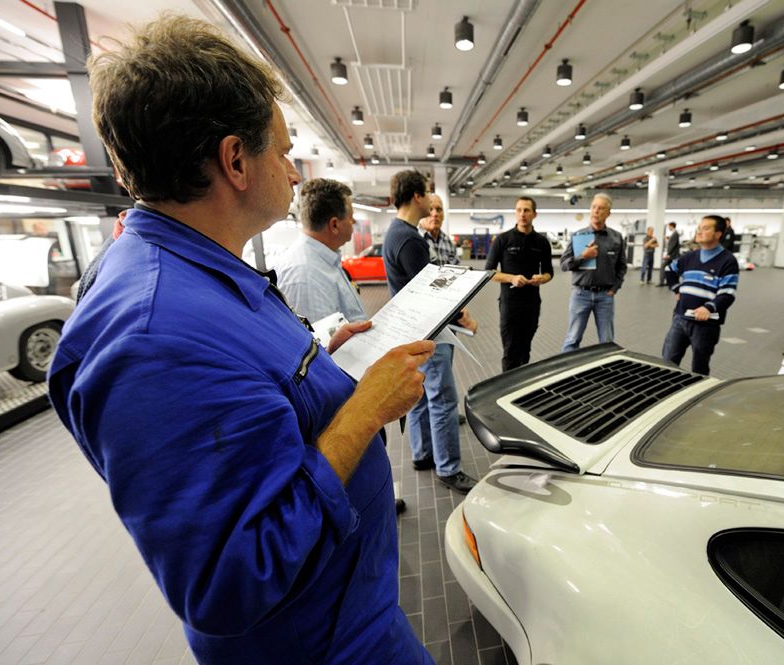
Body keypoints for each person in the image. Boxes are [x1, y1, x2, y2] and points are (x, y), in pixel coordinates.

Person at [47, 16, 435, 665]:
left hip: (347, 609)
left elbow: (246, 396)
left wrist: (323, 360)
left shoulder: (203, 272)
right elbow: (230, 580)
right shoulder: (151, 336)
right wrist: (364, 409)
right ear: (235, 160)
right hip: (321, 645)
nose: (291, 169)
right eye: (282, 151)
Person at [383, 170, 479, 494]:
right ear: (416, 197)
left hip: (414, 330)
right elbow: (429, 294)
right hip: (431, 332)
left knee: (422, 395)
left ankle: (423, 454)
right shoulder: (410, 239)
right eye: (427, 193)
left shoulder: (395, 233)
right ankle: (449, 468)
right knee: (442, 399)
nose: (431, 202)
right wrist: (463, 318)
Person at [274, 178, 366, 323]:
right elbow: (323, 342)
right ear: (334, 225)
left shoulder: (323, 260)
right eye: (351, 217)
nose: (353, 222)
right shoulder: (306, 275)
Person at [661, 215, 739, 376]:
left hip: (705, 325)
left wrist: (708, 308)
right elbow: (669, 270)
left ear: (718, 234)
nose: (699, 231)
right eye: (699, 228)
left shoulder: (727, 261)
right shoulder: (690, 257)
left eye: (705, 228)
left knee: (700, 367)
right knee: (667, 362)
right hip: (680, 319)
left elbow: (727, 294)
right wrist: (677, 289)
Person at [484, 196, 554, 370]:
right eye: (519, 210)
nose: (522, 214)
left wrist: (542, 278)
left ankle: (521, 389)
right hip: (510, 303)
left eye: (526, 210)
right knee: (510, 350)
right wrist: (511, 278)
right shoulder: (502, 240)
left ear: (534, 214)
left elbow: (549, 272)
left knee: (525, 350)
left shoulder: (542, 242)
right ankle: (506, 388)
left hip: (532, 304)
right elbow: (488, 272)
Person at [559, 193, 627, 352]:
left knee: (607, 341)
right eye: (594, 207)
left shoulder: (616, 238)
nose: (596, 211)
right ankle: (566, 372)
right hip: (580, 294)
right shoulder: (578, 236)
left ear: (608, 213)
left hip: (605, 296)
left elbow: (622, 266)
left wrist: (614, 288)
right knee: (572, 339)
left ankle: (607, 374)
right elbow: (563, 264)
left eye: (601, 208)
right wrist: (583, 256)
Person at [419, 193, 456, 266]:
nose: (435, 214)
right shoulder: (415, 239)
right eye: (430, 209)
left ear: (443, 216)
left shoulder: (448, 241)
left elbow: (457, 270)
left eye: (439, 210)